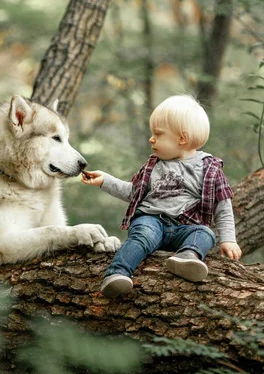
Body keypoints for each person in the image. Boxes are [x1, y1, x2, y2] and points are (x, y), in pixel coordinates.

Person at [81, 95, 242, 299]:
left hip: (185, 227)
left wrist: (228, 239)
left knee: (205, 234)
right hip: (152, 220)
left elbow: (223, 206)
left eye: (158, 134)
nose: (151, 139)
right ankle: (117, 274)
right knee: (142, 237)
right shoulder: (154, 166)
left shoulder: (209, 169)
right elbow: (133, 193)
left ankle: (187, 256)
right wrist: (105, 180)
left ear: (182, 139)